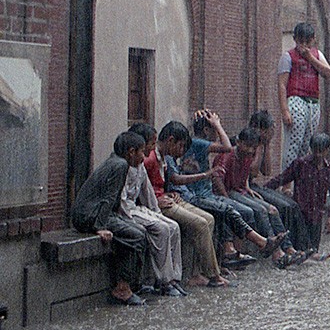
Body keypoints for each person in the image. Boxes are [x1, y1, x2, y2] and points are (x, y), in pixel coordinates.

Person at [179, 110, 274, 266]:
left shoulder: (197, 143)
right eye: (214, 130)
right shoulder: (197, 142)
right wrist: (217, 124)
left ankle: (235, 253)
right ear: (206, 130)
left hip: (205, 193)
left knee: (229, 209)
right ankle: (236, 251)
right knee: (229, 209)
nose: (217, 134)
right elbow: (228, 147)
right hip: (198, 195)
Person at [145, 121, 229, 288]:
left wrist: (167, 192)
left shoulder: (164, 158)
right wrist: (155, 200)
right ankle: (214, 275)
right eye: (181, 146)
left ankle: (196, 273)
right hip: (159, 204)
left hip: (169, 198)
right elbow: (142, 187)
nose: (182, 151)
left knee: (209, 219)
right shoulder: (151, 158)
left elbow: (161, 183)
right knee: (200, 223)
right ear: (170, 141)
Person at [70, 131, 150, 306]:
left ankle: (133, 284)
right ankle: (123, 288)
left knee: (139, 230)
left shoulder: (116, 161)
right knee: (136, 236)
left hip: (94, 214)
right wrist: (99, 227)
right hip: (89, 217)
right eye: (142, 152)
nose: (143, 157)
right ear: (131, 152)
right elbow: (109, 198)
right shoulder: (120, 165)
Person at [215, 127, 300, 268]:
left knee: (272, 209)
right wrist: (226, 198)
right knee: (260, 210)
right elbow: (218, 179)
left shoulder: (249, 156)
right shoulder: (228, 155)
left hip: (241, 191)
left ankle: (288, 248)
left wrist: (247, 187)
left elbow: (247, 175)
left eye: (253, 147)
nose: (250, 150)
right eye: (247, 146)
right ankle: (276, 253)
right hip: (230, 193)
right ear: (239, 142)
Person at [126, 123, 187, 297]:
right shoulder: (123, 166)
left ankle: (175, 278)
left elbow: (148, 196)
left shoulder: (140, 167)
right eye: (151, 144)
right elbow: (123, 202)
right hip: (128, 211)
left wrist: (157, 213)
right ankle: (164, 280)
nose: (153, 148)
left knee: (173, 226)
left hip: (139, 209)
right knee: (160, 229)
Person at [265, 132, 330, 262]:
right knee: (304, 250)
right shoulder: (301, 164)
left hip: (316, 216)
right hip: (300, 215)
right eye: (315, 151)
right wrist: (264, 190)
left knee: (312, 249)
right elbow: (282, 178)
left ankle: (308, 254)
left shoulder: (329, 169)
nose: (318, 155)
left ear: (327, 150)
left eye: (321, 151)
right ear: (311, 149)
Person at [248, 109, 310, 251]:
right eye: (271, 128)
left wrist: (266, 145)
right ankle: (286, 249)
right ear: (260, 129)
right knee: (280, 207)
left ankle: (301, 248)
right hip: (246, 187)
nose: (273, 131)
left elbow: (266, 171)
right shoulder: (247, 142)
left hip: (254, 186)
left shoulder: (262, 144)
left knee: (291, 205)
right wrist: (260, 146)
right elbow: (253, 170)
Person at [278, 21, 330, 171]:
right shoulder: (288, 56)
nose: (304, 45)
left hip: (313, 102)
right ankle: (286, 183)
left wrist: (310, 58)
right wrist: (285, 110)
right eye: (301, 41)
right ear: (295, 39)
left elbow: (327, 73)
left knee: (306, 143)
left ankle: (300, 179)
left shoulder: (317, 54)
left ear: (313, 39)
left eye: (307, 42)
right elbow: (282, 84)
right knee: (293, 142)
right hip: (296, 99)